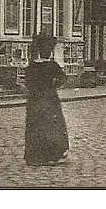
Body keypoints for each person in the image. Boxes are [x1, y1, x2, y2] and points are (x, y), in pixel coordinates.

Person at [24, 35, 70, 166]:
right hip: (50, 99)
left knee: (36, 127)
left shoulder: (32, 66)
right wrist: (53, 86)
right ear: (48, 51)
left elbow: (27, 82)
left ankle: (35, 155)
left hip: (35, 100)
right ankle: (53, 154)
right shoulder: (52, 66)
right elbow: (63, 79)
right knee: (52, 126)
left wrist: (34, 91)